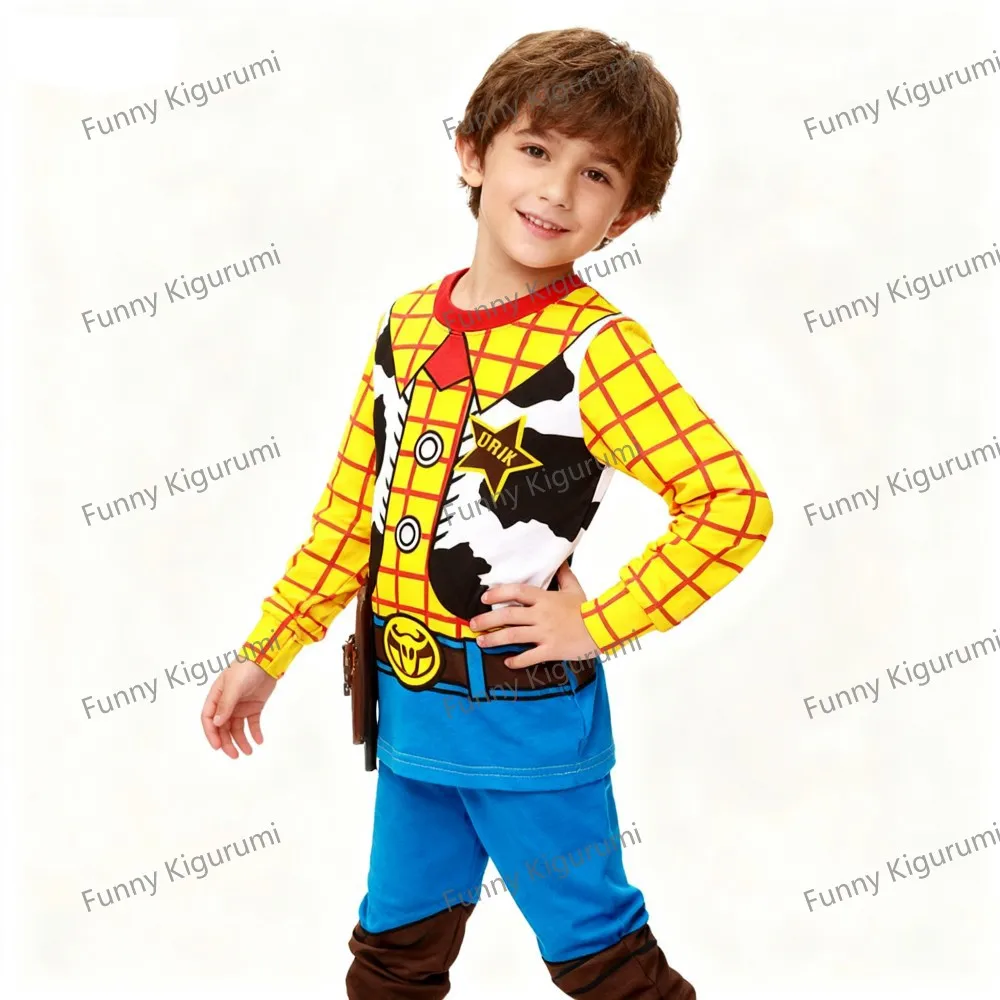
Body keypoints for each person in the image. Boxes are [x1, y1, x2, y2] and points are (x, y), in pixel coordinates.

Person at [200, 26, 773, 999]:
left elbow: (731, 505)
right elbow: (347, 518)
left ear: (626, 216)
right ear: (472, 152)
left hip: (522, 719)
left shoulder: (599, 352)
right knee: (392, 955)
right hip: (410, 710)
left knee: (601, 958)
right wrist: (269, 651)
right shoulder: (406, 326)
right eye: (535, 150)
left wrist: (602, 621)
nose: (556, 191)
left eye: (596, 174)